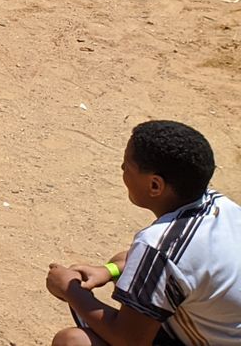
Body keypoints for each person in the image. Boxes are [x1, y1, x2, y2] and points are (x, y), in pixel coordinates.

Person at [44, 120, 240, 346]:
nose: (122, 169)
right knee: (125, 261)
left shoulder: (158, 245)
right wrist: (108, 271)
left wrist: (71, 291)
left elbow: (129, 340)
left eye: (127, 165)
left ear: (155, 186)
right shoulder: (223, 207)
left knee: (73, 341)